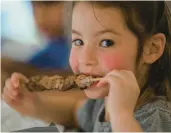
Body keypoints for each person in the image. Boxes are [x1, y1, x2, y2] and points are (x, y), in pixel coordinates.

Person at [2, 1, 171, 132]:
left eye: (106, 42)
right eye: (78, 41)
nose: (85, 58)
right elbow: (75, 112)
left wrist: (122, 116)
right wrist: (34, 104)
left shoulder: (157, 117)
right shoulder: (102, 103)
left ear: (152, 48)